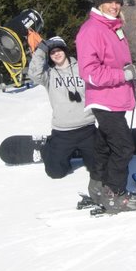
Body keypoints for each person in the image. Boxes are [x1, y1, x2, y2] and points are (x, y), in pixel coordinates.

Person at [76, 0, 136, 212]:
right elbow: (89, 72)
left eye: (117, 1)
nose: (114, 5)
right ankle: (114, 192)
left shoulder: (112, 27)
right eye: (109, 1)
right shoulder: (92, 30)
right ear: (100, 2)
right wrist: (122, 76)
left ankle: (98, 185)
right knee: (123, 146)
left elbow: (120, 63)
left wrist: (131, 79)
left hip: (115, 96)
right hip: (104, 98)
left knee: (105, 144)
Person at [28, 36, 97, 179]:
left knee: (99, 169)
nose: (56, 54)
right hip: (63, 132)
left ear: (65, 51)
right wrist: (41, 50)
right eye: (52, 52)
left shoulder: (82, 67)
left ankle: (81, 151)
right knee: (55, 173)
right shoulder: (48, 74)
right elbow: (34, 74)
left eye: (59, 50)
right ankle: (51, 146)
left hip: (87, 129)